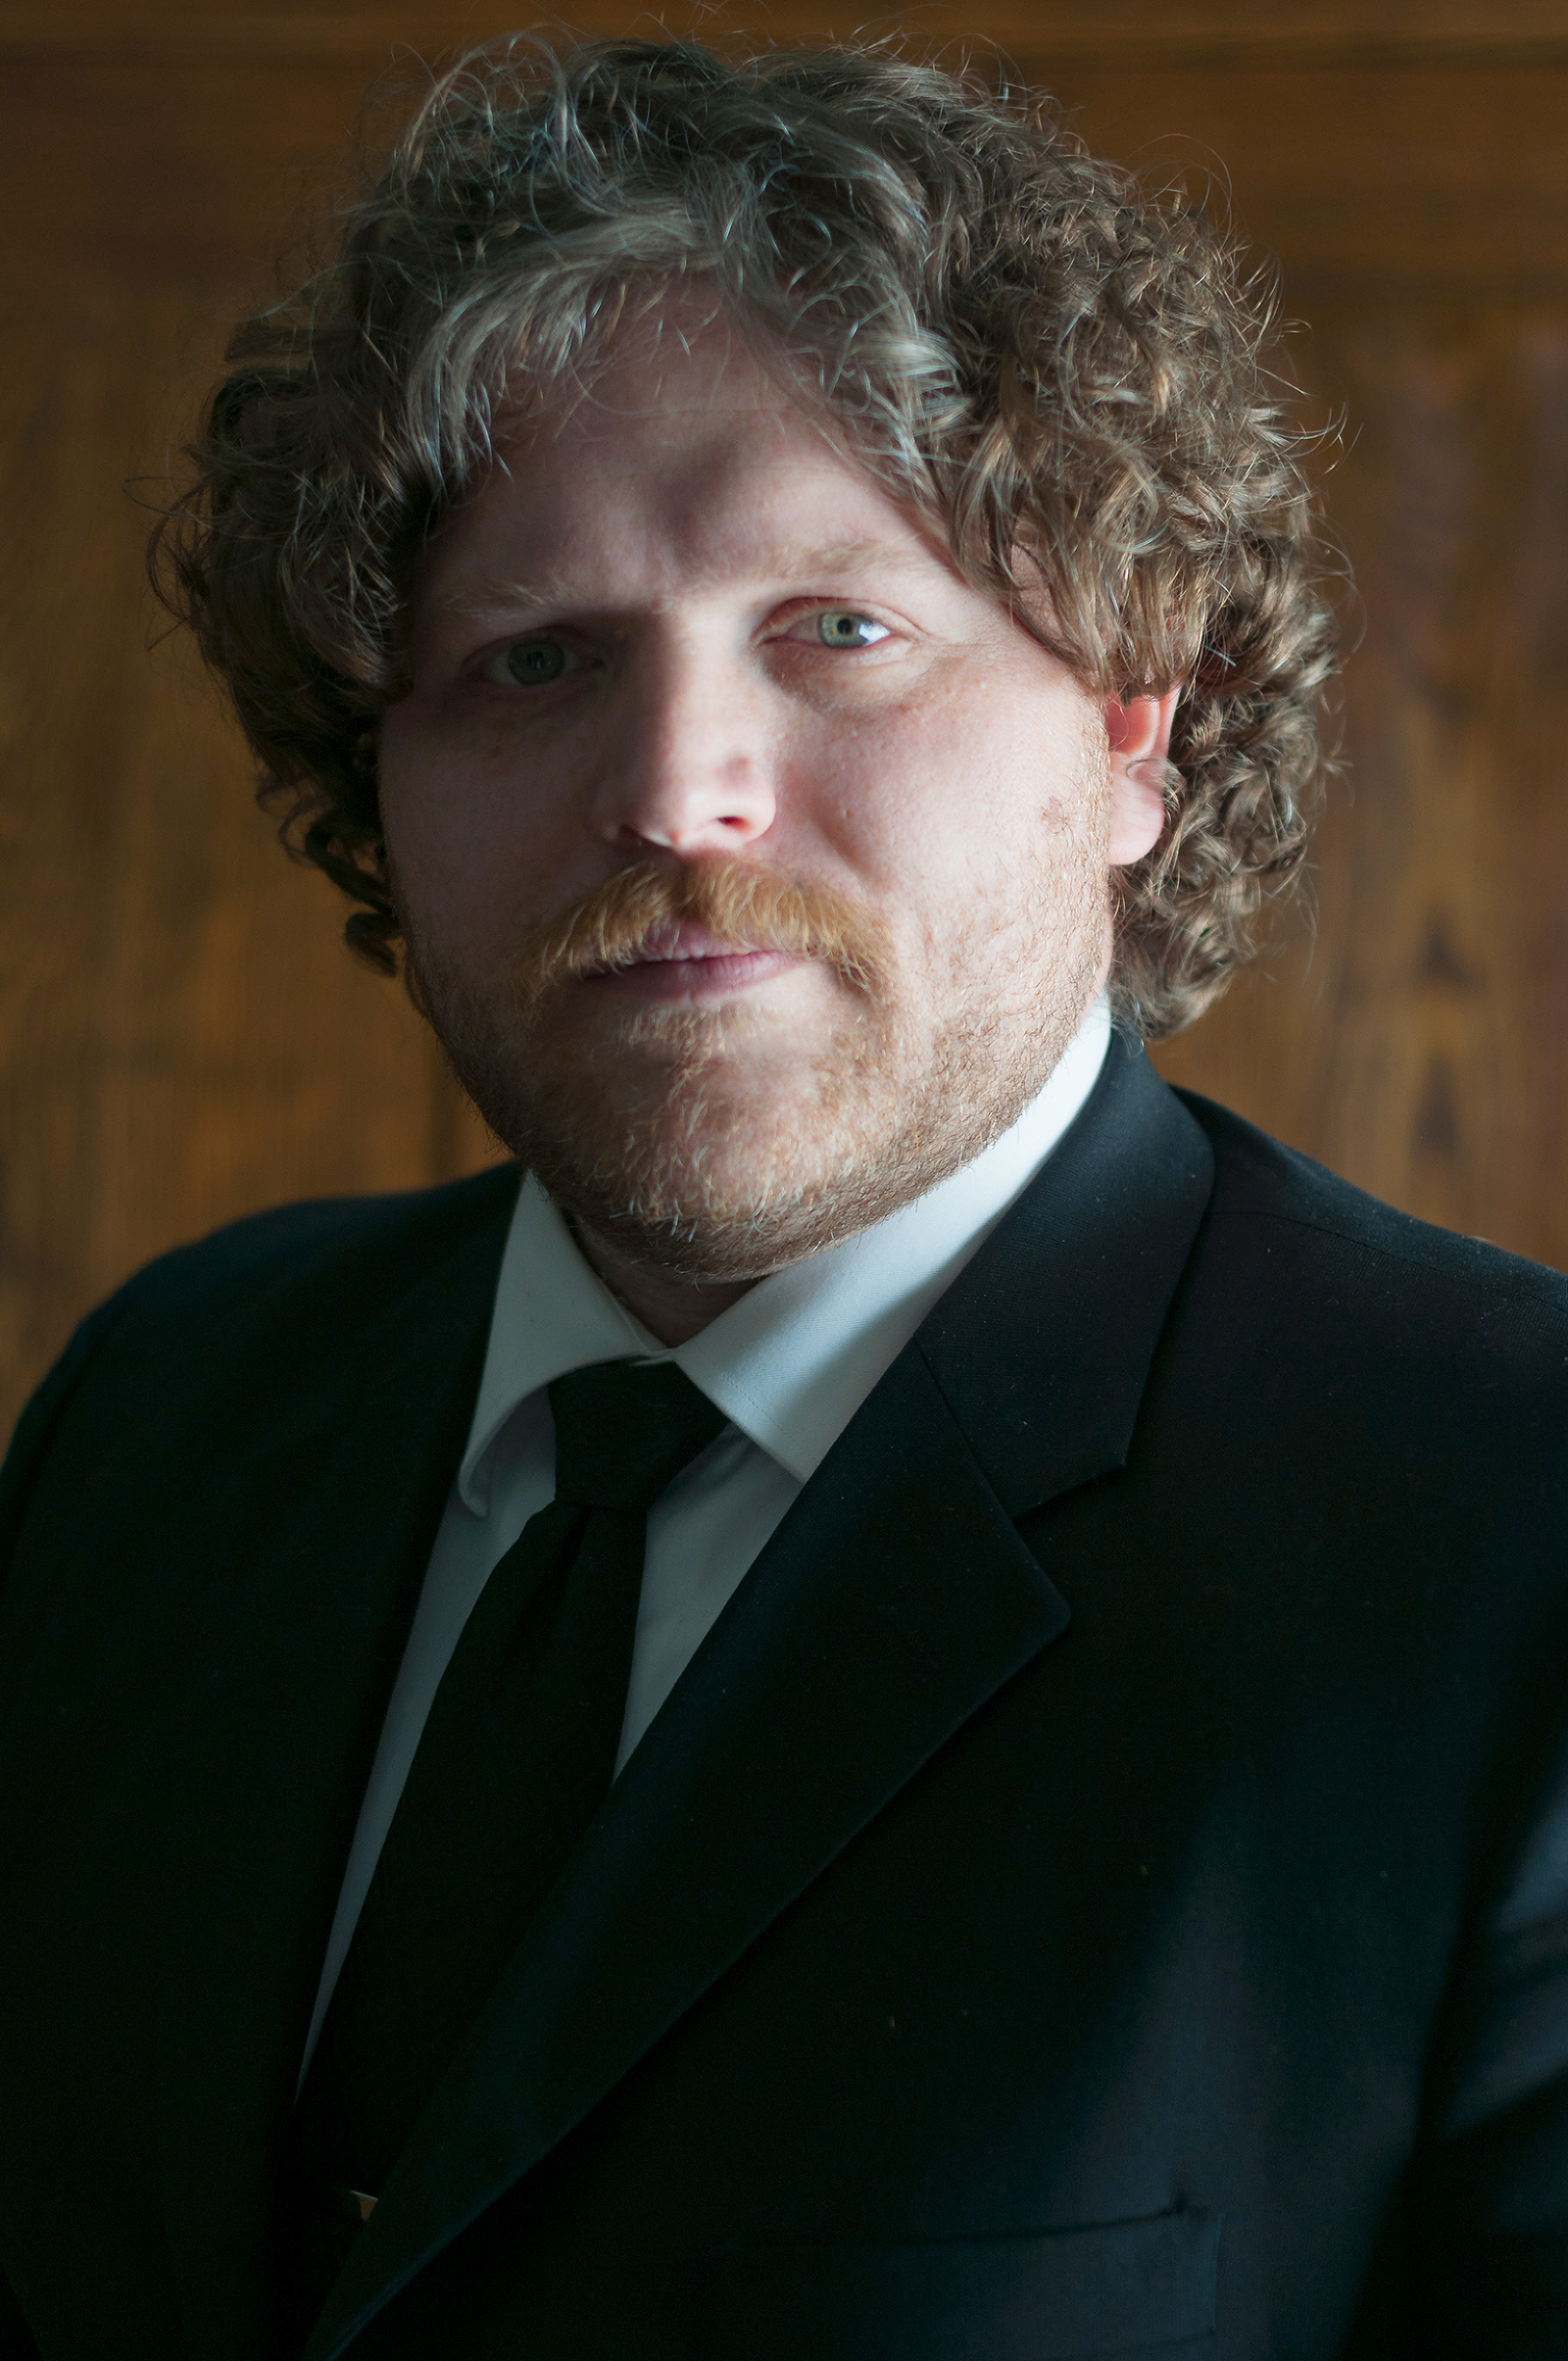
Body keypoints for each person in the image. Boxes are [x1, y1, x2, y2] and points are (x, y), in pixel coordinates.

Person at [0, 32, 1564, 2361]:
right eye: (533, 658)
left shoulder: (1510, 1530)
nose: (675, 792)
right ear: (378, 780)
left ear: (1131, 728)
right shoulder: (166, 1408)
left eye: (837, 630)